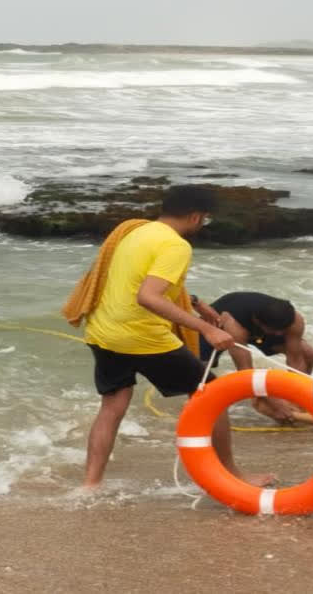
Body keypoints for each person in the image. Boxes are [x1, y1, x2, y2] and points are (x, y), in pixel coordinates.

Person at [62, 185, 271, 489]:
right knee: (212, 394)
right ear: (197, 217)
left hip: (104, 330)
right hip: (141, 335)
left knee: (112, 406)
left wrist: (198, 306)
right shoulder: (177, 246)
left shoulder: (136, 232)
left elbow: (145, 282)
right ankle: (233, 475)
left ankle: (90, 484)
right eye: (206, 220)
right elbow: (149, 296)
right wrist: (207, 329)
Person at [191, 292, 313, 424]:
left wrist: (298, 397)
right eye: (276, 331)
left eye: (283, 330)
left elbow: (296, 361)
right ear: (258, 322)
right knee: (198, 371)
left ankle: (292, 405)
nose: (279, 334)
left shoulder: (294, 321)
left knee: (308, 354)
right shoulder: (234, 325)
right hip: (217, 325)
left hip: (265, 326)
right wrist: (273, 401)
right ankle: (199, 409)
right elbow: (245, 371)